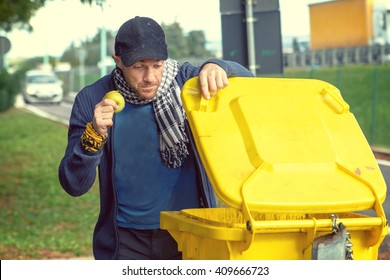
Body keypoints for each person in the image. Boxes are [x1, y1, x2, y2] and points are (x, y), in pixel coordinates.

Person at [58, 16, 254, 260]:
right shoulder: (93, 99)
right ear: (118, 61)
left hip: (189, 233)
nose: (150, 77)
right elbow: (73, 185)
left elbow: (249, 82)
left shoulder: (188, 82)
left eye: (157, 65)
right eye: (139, 67)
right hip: (126, 242)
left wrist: (218, 66)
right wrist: (94, 135)